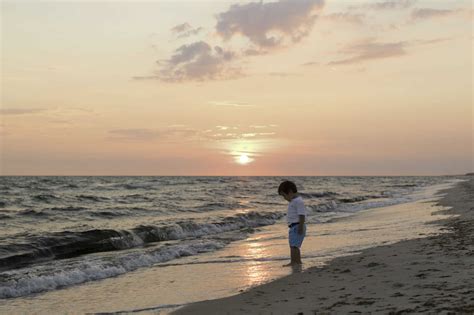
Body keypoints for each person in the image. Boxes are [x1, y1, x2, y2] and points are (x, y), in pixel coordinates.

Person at [278, 180, 307, 266]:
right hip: (293, 227)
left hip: (297, 226)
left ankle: (297, 262)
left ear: (290, 191)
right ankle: (294, 261)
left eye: (284, 196)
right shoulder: (294, 201)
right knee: (292, 245)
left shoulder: (298, 201)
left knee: (295, 246)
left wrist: (301, 226)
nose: (285, 198)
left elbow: (302, 215)